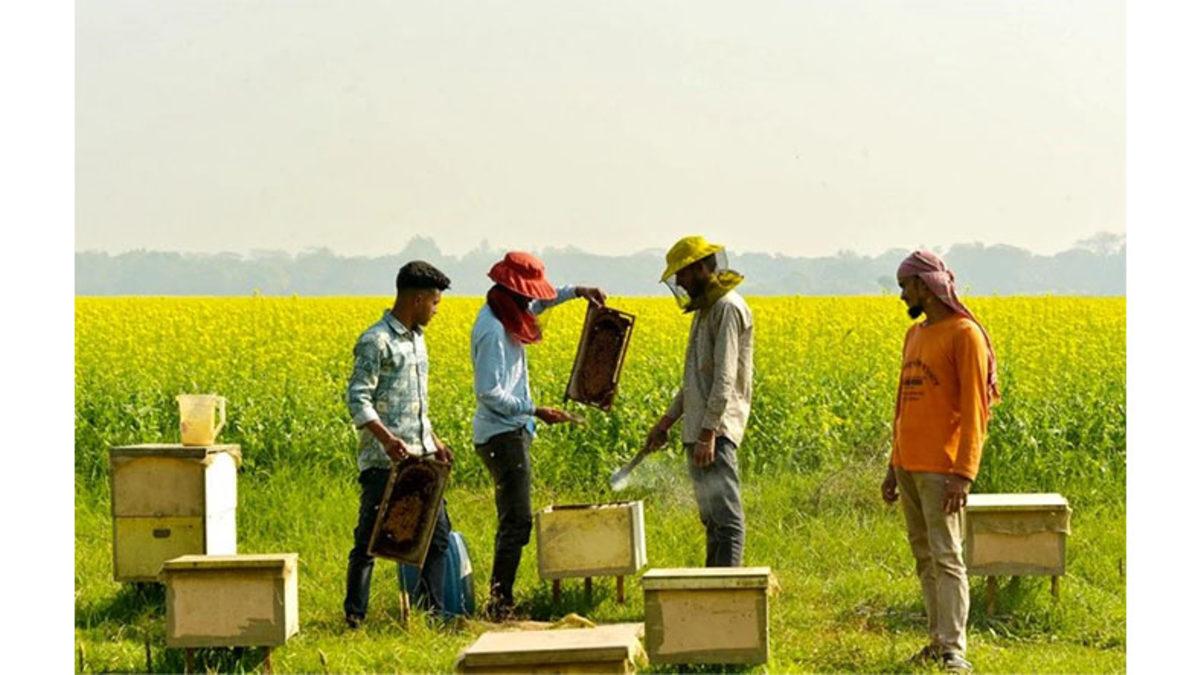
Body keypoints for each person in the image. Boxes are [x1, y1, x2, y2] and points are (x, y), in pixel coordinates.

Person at [880, 250, 1000, 672]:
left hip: (942, 469)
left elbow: (975, 411)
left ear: (926, 287)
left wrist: (963, 474)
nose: (901, 295)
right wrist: (893, 466)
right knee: (924, 555)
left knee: (947, 555)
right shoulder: (914, 335)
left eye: (905, 286)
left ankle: (954, 649)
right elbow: (903, 408)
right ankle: (936, 640)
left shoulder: (964, 334)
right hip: (909, 466)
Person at [471, 251, 606, 618]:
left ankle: (501, 599)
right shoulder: (492, 329)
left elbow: (545, 300)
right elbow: (489, 392)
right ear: (511, 290)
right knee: (517, 519)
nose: (532, 299)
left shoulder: (510, 308)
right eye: (526, 293)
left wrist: (578, 291)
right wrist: (535, 410)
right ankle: (500, 603)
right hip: (501, 433)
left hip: (513, 430)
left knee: (514, 517)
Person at [343, 260, 455, 628]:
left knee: (436, 539)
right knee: (369, 543)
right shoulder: (375, 341)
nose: (437, 311)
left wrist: (434, 441)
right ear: (418, 298)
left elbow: (415, 403)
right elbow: (358, 399)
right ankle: (355, 618)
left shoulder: (418, 340)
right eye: (435, 303)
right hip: (384, 461)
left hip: (421, 458)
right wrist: (388, 440)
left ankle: (435, 615)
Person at [644, 236, 754, 567]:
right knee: (711, 521)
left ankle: (728, 595)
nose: (678, 281)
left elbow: (724, 379)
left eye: (683, 273)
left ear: (702, 268)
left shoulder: (728, 308)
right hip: (699, 432)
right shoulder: (704, 311)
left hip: (715, 434)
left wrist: (708, 433)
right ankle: (710, 594)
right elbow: (694, 384)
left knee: (727, 520)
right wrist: (665, 423)